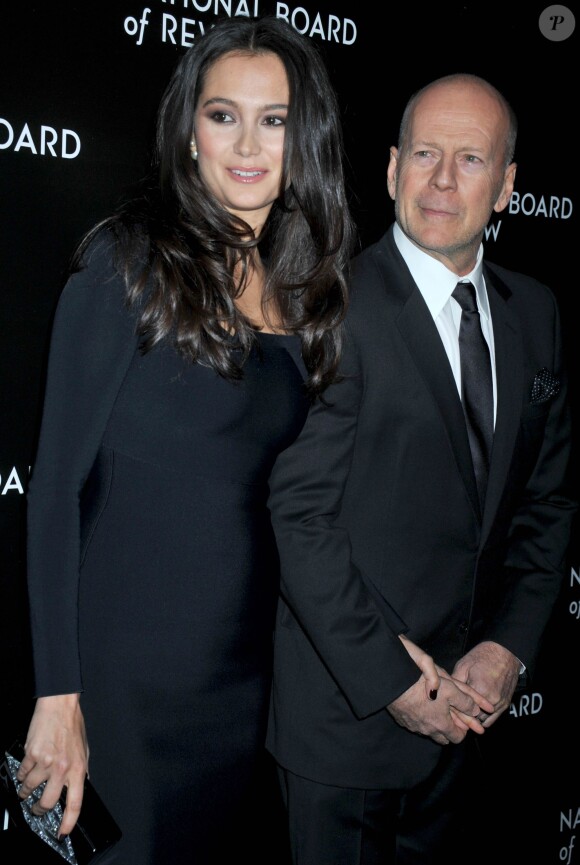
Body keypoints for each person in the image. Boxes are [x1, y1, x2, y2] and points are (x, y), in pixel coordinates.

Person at [15, 15, 355, 865]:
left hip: (242, 687)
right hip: (125, 683)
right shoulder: (126, 265)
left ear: (300, 137)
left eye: (272, 119)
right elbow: (53, 489)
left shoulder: (301, 294)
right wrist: (59, 694)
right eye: (222, 114)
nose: (247, 143)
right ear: (189, 130)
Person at [266, 72, 576, 863]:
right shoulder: (331, 301)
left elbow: (546, 503)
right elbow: (301, 519)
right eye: (426, 154)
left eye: (470, 160)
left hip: (472, 734)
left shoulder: (534, 312)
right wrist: (395, 684)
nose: (442, 180)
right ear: (392, 167)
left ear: (507, 186)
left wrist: (509, 645)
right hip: (351, 728)